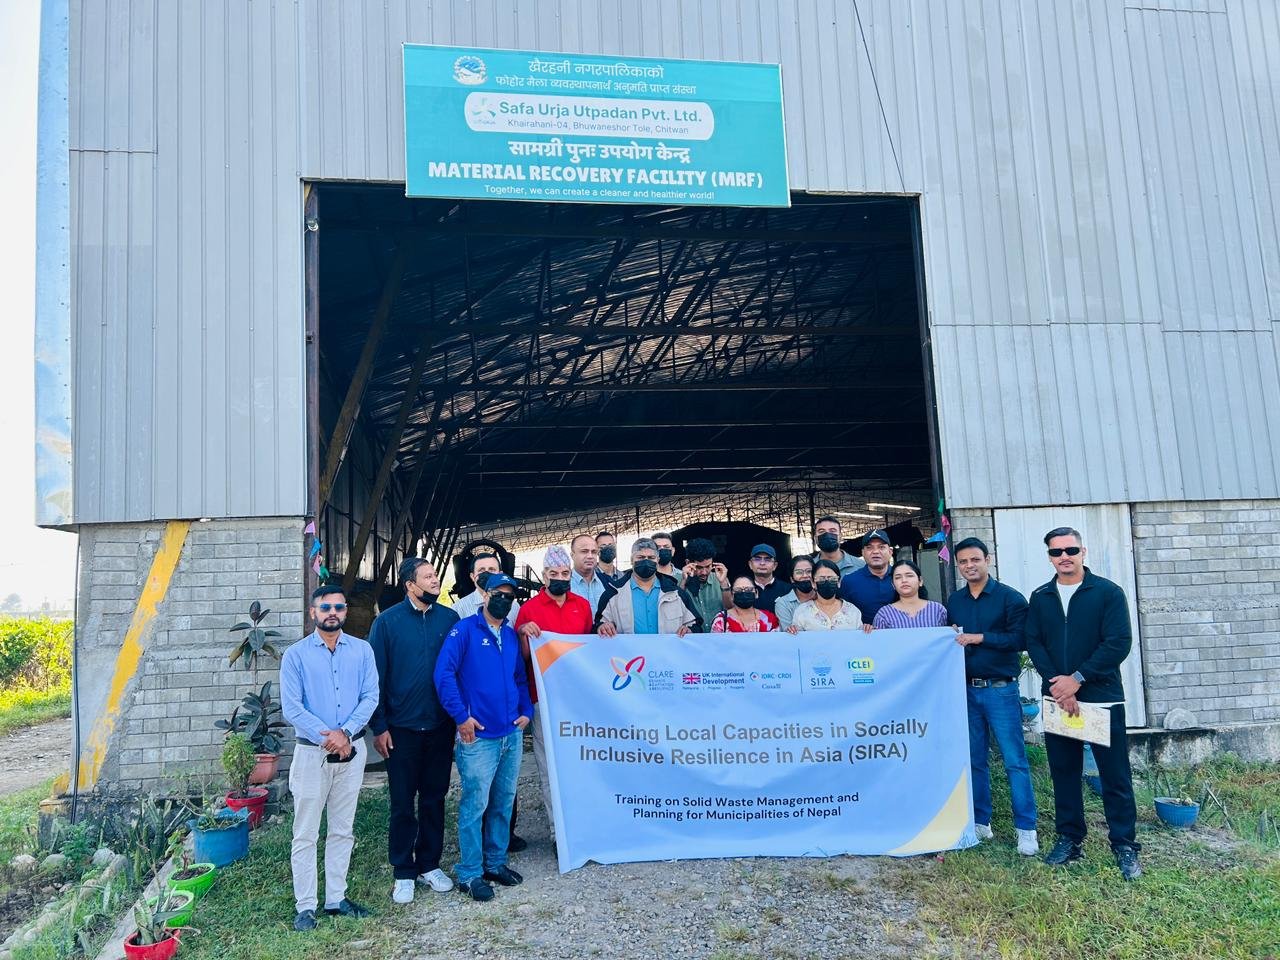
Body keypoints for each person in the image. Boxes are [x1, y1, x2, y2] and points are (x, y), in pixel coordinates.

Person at [1025, 527, 1141, 881]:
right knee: (1064, 772)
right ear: (1049, 557)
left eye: (1070, 550)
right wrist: (1059, 685)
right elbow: (1035, 642)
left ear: (1083, 552)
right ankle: (1070, 838)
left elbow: (1118, 642)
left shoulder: (1107, 593)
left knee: (1114, 774)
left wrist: (1077, 679)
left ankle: (1124, 844)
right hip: (1058, 699)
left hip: (1101, 698)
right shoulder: (1041, 596)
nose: (1064, 556)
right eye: (1056, 552)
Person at [280, 585, 379, 931]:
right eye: (325, 607)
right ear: (313, 613)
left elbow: (370, 696)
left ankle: (336, 898)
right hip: (312, 754)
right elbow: (293, 707)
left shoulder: (363, 651)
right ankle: (305, 906)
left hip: (351, 750)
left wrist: (346, 733)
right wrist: (330, 737)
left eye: (338, 606)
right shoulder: (295, 656)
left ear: (345, 611)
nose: (332, 612)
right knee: (305, 832)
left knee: (342, 828)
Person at [434, 573, 533, 902]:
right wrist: (461, 717)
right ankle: (470, 872)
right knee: (475, 804)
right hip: (478, 737)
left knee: (503, 802)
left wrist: (525, 711)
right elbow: (443, 674)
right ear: (485, 595)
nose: (503, 600)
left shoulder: (509, 634)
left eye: (509, 596)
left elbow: (519, 678)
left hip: (510, 734)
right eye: (498, 594)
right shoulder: (464, 630)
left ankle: (495, 862)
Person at [367, 558, 460, 904]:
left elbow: (457, 671)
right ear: (410, 585)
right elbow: (374, 678)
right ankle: (403, 871)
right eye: (428, 577)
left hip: (439, 727)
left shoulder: (449, 619)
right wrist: (379, 727)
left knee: (435, 798)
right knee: (403, 803)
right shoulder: (387, 623)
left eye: (435, 575)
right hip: (401, 730)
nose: (436, 581)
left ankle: (429, 865)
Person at [946, 537, 1037, 856]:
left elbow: (1021, 639)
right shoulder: (955, 601)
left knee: (1015, 761)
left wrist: (979, 638)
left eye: (975, 559)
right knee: (974, 760)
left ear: (988, 559)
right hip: (966, 691)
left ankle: (1026, 828)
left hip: (1001, 690)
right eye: (963, 562)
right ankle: (981, 821)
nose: (969, 566)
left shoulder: (1010, 598)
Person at [514, 546, 593, 846]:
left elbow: (589, 649)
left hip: (577, 701)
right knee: (549, 767)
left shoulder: (582, 606)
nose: (559, 578)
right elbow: (522, 659)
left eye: (564, 573)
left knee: (580, 763)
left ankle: (584, 825)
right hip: (543, 699)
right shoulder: (529, 610)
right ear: (544, 576)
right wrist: (524, 634)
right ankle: (557, 832)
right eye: (553, 573)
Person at [596, 538, 699, 636]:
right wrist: (602, 626)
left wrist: (690, 630)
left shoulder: (675, 593)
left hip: (667, 649)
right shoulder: (613, 593)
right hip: (629, 650)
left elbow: (695, 624)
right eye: (640, 557)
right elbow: (598, 624)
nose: (646, 561)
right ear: (631, 560)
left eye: (651, 558)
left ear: (658, 560)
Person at [789, 559, 865, 632]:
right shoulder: (802, 612)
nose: (826, 582)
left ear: (839, 582)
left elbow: (859, 637)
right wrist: (791, 631)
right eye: (821, 579)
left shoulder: (852, 611)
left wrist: (866, 629)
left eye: (832, 578)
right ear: (813, 583)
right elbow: (796, 638)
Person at [839, 529, 897, 624]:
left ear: (890, 552)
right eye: (869, 548)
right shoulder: (849, 581)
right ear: (863, 552)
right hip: (863, 632)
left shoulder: (901, 578)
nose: (875, 551)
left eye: (881, 547)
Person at [872, 560, 949, 628]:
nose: (904, 580)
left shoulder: (937, 610)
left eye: (909, 576)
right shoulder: (884, 614)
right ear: (893, 585)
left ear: (920, 581)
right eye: (898, 577)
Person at [452, 553, 522, 624]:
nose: (487, 574)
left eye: (492, 569)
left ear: (500, 574)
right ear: (472, 576)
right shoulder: (458, 608)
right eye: (481, 570)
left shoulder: (514, 606)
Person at [681, 537, 728, 633]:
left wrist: (723, 583)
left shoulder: (720, 579)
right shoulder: (679, 581)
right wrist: (684, 582)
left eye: (708, 566)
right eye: (699, 567)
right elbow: (675, 610)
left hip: (718, 638)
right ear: (688, 563)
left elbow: (730, 609)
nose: (704, 572)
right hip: (691, 639)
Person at [711, 577, 780, 632]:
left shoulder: (769, 619)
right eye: (738, 590)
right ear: (732, 595)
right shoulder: (722, 620)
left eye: (748, 589)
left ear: (756, 593)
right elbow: (715, 644)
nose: (744, 592)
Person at [745, 543, 790, 614]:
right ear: (750, 564)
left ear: (775, 565)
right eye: (757, 559)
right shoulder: (744, 590)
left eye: (767, 559)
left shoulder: (787, 590)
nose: (762, 563)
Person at [568, 533, 609, 611]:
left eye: (593, 552)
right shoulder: (564, 585)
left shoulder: (608, 582)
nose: (590, 556)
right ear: (572, 555)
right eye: (584, 551)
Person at [774, 556, 816, 630]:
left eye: (809, 571)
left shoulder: (824, 597)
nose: (805, 576)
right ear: (792, 579)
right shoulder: (783, 603)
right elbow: (790, 633)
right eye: (799, 572)